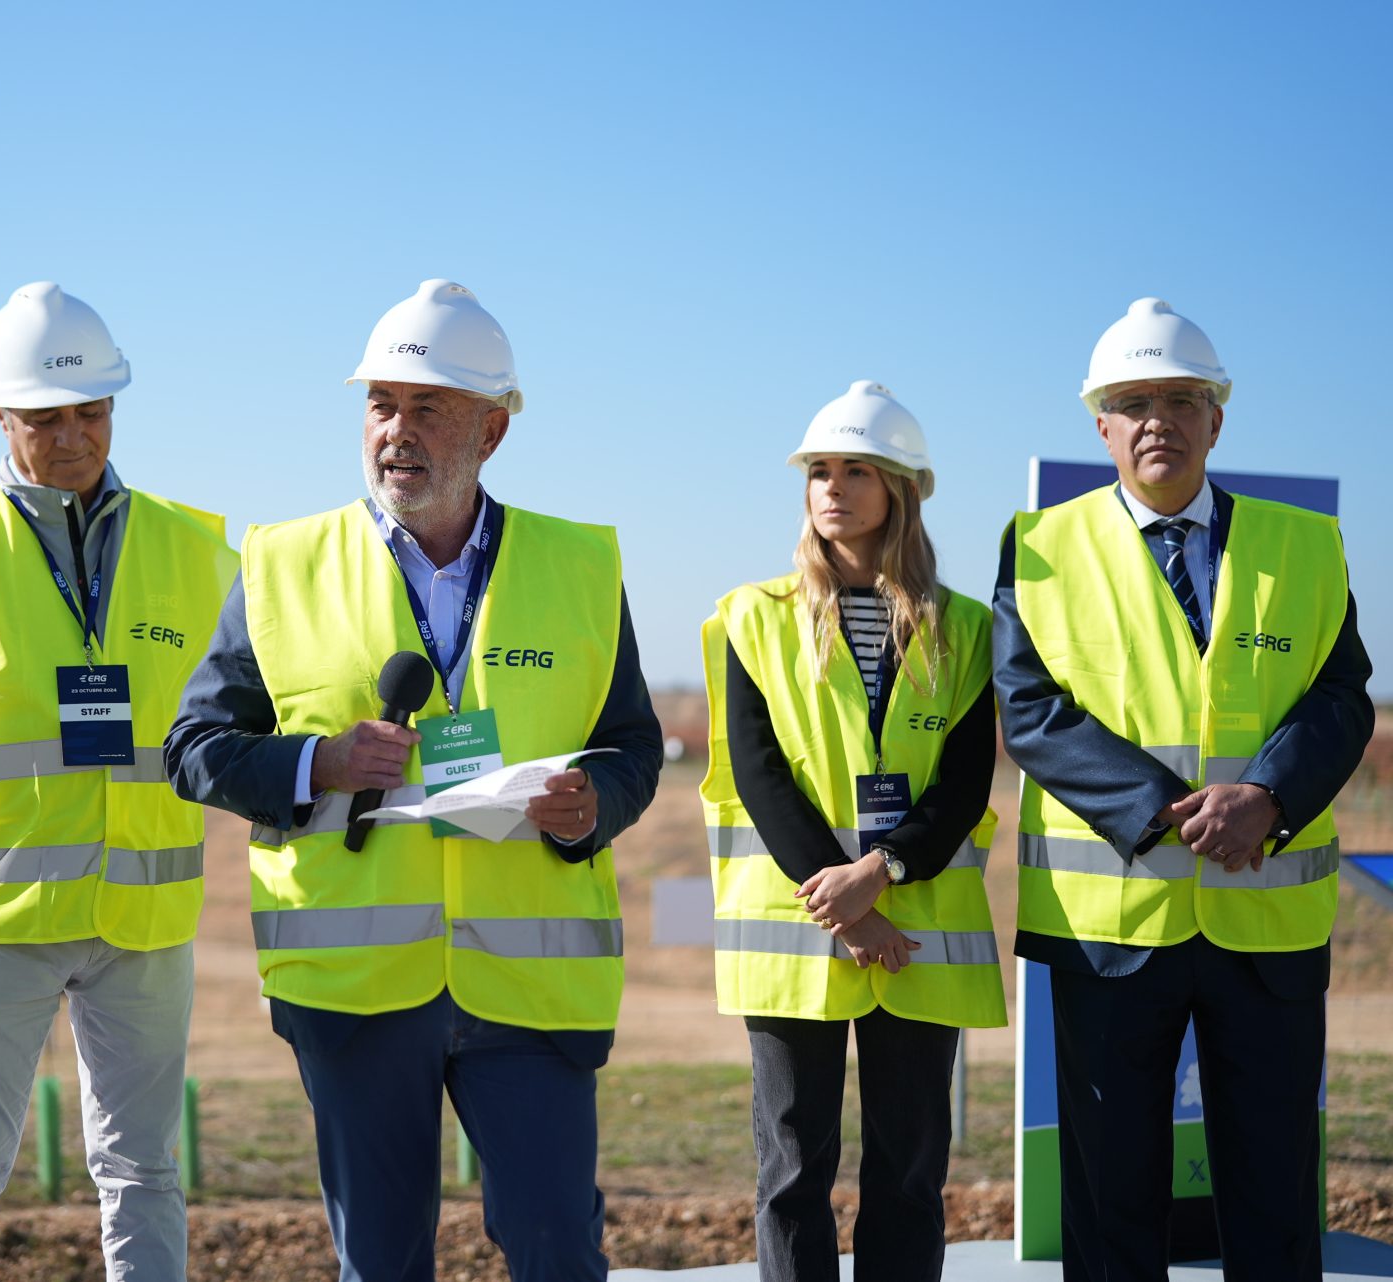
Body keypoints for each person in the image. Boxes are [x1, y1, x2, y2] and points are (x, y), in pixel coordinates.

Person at [165, 279, 662, 1280]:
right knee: (382, 1264)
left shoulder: (578, 567)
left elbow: (632, 746)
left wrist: (591, 804)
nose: (396, 429)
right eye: (380, 404)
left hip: (530, 989)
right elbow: (194, 746)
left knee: (561, 1247)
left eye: (426, 407)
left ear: (492, 430)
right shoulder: (280, 563)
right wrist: (321, 763)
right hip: (356, 993)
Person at [0, 281, 236, 1281]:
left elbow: (233, 717)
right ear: (0, 415)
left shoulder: (199, 549)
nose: (73, 437)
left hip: (144, 920)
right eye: (46, 418)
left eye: (93, 412)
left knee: (145, 1170)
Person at [994, 297, 1374, 1281]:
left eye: (1180, 397)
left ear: (1217, 417)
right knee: (1110, 1195)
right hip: (1112, 929)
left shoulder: (1307, 544)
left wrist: (1270, 799)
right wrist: (1169, 810)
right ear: (1101, 426)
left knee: (1275, 1193)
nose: (1156, 416)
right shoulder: (1038, 545)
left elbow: (1340, 697)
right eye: (1133, 400)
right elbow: (1031, 708)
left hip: (1268, 931)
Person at [699, 381, 1003, 1282]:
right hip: (799, 930)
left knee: (910, 1173)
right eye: (819, 471)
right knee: (792, 1170)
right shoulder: (750, 618)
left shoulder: (967, 629)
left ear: (902, 488)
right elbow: (759, 777)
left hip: (916, 927)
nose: (831, 488)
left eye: (856, 470)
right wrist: (850, 905)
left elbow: (965, 781)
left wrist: (886, 870)